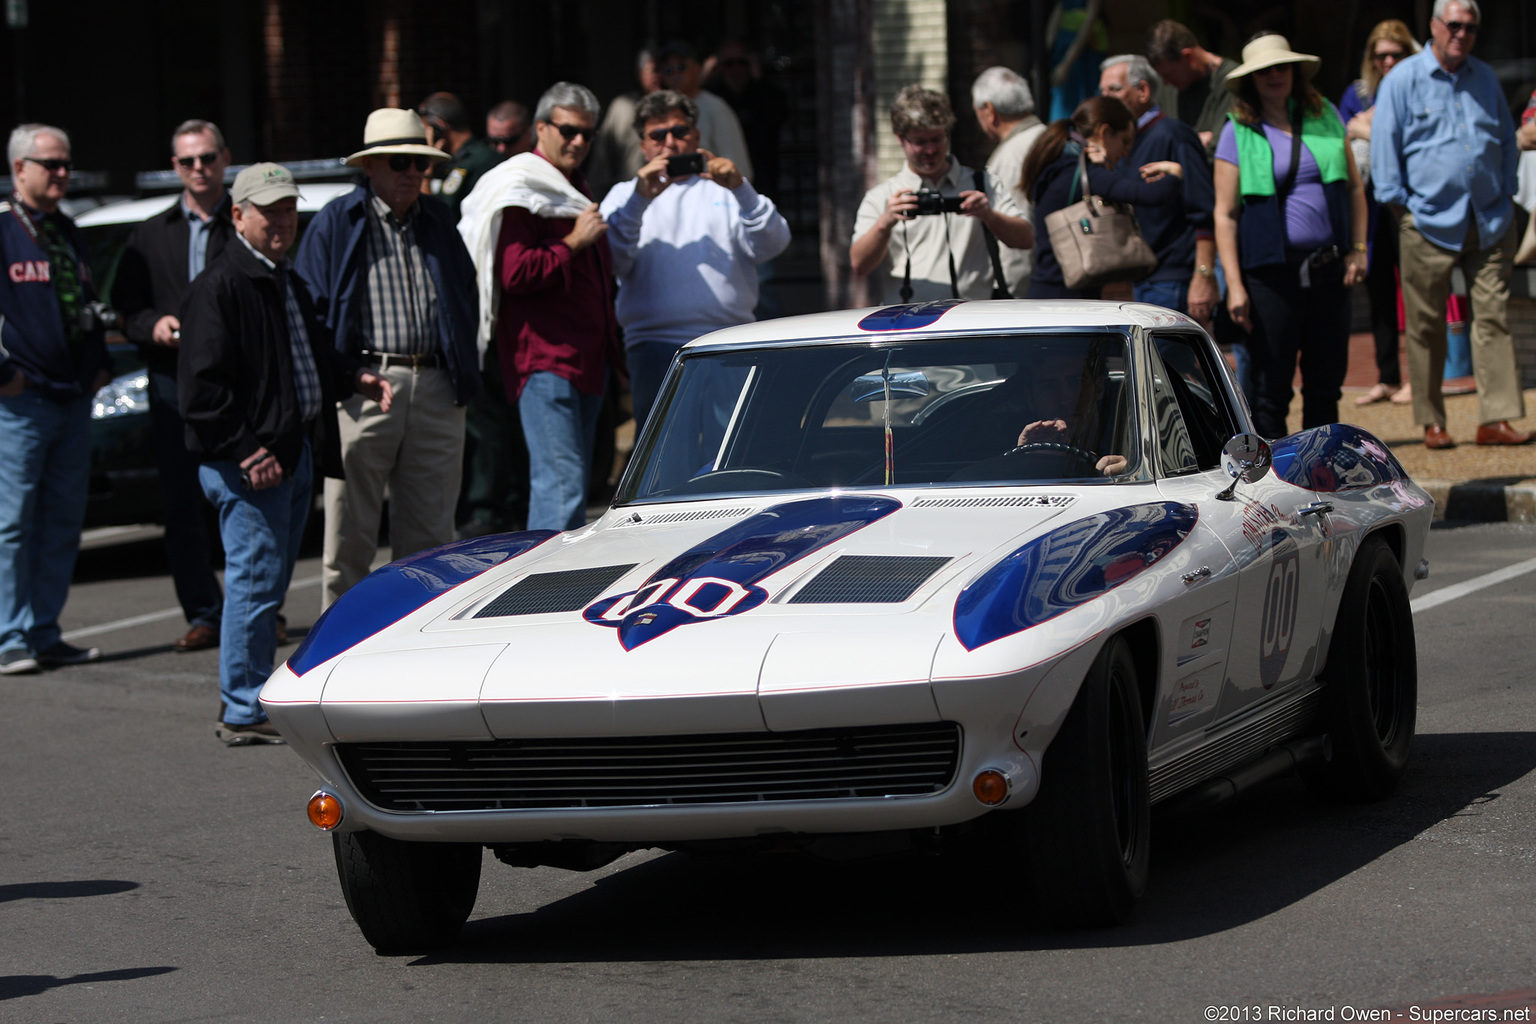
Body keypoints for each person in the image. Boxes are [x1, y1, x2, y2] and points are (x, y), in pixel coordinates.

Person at [180, 163, 391, 744]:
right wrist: (248, 452)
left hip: (292, 451)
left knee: (265, 583)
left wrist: (357, 378)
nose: (281, 220)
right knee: (254, 583)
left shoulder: (284, 278)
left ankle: (249, 699)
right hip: (251, 462)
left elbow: (316, 358)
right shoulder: (222, 286)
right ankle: (242, 706)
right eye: (268, 210)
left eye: (288, 209)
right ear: (238, 214)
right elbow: (201, 391)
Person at [293, 109, 480, 610]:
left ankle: (419, 642)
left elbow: (466, 295)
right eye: (400, 163)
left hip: (437, 382)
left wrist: (464, 369)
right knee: (350, 533)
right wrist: (348, 374)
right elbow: (311, 311)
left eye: (421, 164)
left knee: (433, 537)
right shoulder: (338, 220)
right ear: (370, 166)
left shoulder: (439, 218)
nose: (413, 174)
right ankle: (338, 648)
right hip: (364, 385)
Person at [1373, 0, 1530, 449]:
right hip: (1426, 221)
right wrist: (1401, 207)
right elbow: (1385, 147)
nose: (1462, 34)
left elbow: (1504, 137)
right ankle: (1432, 422)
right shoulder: (1403, 79)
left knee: (1493, 318)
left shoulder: (1485, 76)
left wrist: (1505, 191)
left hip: (1489, 219)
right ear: (1435, 26)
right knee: (1426, 325)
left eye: (1471, 27)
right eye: (1455, 25)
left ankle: (1495, 419)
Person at [112, 119, 235, 654]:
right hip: (171, 385)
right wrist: (153, 326)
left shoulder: (246, 222)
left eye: (207, 157)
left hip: (237, 386)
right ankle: (206, 614)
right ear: (174, 167)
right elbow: (126, 309)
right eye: (188, 161)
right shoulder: (151, 231)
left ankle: (260, 609)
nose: (199, 169)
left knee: (246, 502)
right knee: (182, 506)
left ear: (225, 158)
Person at [599, 90, 790, 430]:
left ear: (697, 137)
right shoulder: (623, 196)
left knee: (729, 461)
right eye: (657, 135)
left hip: (729, 343)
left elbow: (773, 244)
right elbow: (611, 262)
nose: (670, 143)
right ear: (643, 145)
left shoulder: (727, 190)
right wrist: (638, 201)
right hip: (653, 349)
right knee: (666, 469)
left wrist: (742, 189)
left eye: (680, 131)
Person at [1213, 34, 1368, 440]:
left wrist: (1358, 248)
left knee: (1325, 385)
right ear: (1250, 79)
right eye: (1263, 70)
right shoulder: (1237, 130)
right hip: (1269, 275)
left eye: (1281, 67)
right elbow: (1225, 215)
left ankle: (1321, 479)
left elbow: (1354, 189)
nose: (1273, 76)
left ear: (1295, 72)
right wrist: (1233, 285)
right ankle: (1271, 487)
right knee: (1269, 389)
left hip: (1329, 268)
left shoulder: (1327, 115)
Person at [0, 124, 112, 676]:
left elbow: (87, 302)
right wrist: (3, 374)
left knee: (63, 521)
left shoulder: (66, 228)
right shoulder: (4, 228)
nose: (63, 173)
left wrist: (100, 366)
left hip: (72, 397)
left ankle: (44, 630)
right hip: (21, 403)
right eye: (52, 164)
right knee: (14, 523)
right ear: (20, 169)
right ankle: (10, 635)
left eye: (66, 163)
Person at [488, 82, 621, 532]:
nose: (578, 141)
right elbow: (515, 273)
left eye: (587, 133)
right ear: (540, 129)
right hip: (545, 363)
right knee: (560, 488)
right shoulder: (523, 186)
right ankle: (541, 596)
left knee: (574, 488)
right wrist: (572, 242)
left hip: (587, 359)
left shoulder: (571, 187)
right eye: (567, 130)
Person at [851, 85, 1033, 304]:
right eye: (919, 142)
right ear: (900, 139)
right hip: (908, 322)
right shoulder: (883, 197)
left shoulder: (982, 184)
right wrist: (885, 223)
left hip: (973, 318)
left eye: (937, 139)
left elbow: (1026, 239)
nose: (930, 150)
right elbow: (859, 265)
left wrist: (989, 216)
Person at [1019, 95, 1184, 299]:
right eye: (1124, 142)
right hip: (1065, 301)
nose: (1125, 153)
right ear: (1105, 133)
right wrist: (1175, 173)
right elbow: (1149, 195)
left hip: (1047, 291)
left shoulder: (1059, 163)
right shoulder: (1084, 174)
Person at [1099, 54, 1217, 323]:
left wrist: (1203, 275)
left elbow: (1203, 210)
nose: (1105, 98)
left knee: (1172, 364)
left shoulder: (1174, 134)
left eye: (1114, 90)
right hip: (1140, 278)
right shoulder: (1120, 142)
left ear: (1143, 91)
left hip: (1172, 280)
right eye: (1102, 91)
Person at [1339, 21, 1419, 406]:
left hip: (1407, 202)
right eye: (1380, 54)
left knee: (1416, 292)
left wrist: (1371, 129)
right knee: (1381, 292)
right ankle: (1388, 376)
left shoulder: (1419, 87)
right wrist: (1366, 127)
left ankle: (1419, 379)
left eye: (1396, 54)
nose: (1388, 61)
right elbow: (1345, 132)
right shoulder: (1357, 92)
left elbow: (1414, 141)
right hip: (1371, 204)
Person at [971, 66, 1048, 297]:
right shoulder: (1048, 136)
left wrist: (1011, 294)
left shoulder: (1011, 156)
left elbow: (1019, 232)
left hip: (1029, 290)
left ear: (989, 111)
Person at [656, 40, 754, 181]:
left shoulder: (716, 107)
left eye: (681, 66)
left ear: (697, 69)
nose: (675, 74)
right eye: (668, 70)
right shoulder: (659, 109)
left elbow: (738, 166)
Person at [705, 39, 788, 200]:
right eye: (729, 63)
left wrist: (758, 80)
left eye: (741, 62)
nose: (736, 69)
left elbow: (777, 116)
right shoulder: (713, 95)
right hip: (722, 180)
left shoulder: (765, 92)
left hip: (762, 174)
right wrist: (704, 74)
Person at [1146, 19, 1238, 155]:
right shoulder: (1168, 87)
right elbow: (1158, 145)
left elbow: (1222, 147)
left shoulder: (1231, 82)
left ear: (1188, 57)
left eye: (1169, 75)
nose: (1165, 82)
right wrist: (1196, 141)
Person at [587, 47, 661, 201]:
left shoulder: (684, 111)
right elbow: (602, 162)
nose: (659, 76)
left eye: (665, 70)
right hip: (628, 198)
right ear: (639, 73)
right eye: (653, 70)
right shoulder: (622, 107)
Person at [418, 92, 502, 221]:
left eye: (426, 131)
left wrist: (426, 172)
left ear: (439, 128)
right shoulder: (469, 156)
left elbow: (436, 218)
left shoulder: (471, 163)